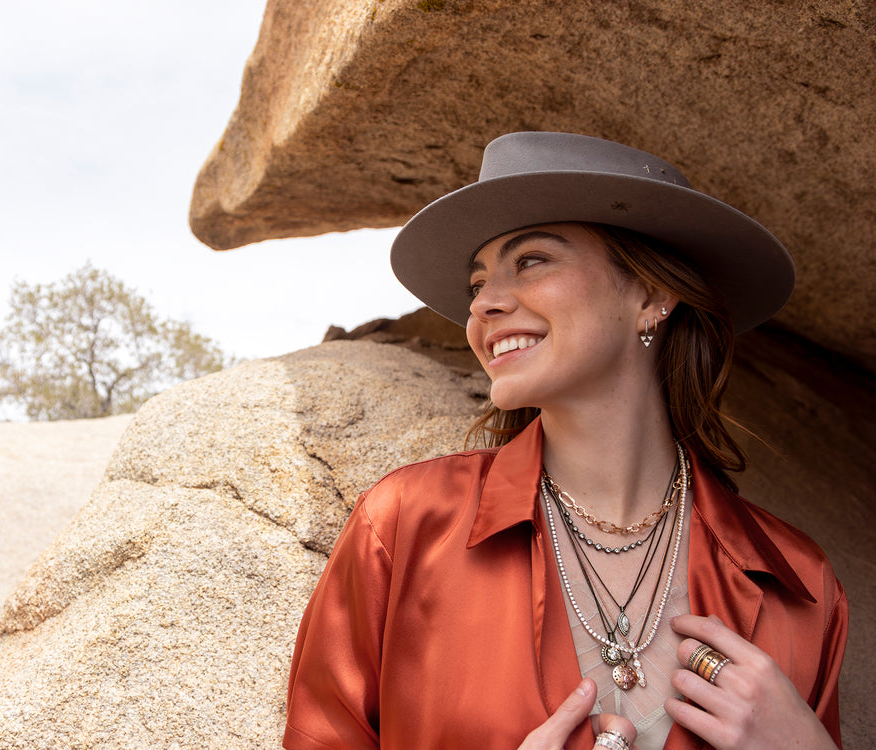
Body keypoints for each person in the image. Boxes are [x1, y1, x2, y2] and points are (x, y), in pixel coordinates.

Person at [282, 132, 847, 750]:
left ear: (652, 295)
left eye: (530, 261)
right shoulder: (405, 527)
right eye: (477, 285)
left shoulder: (800, 587)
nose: (486, 305)